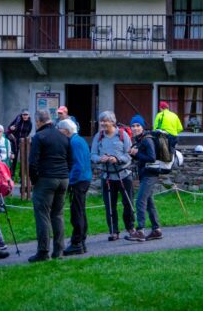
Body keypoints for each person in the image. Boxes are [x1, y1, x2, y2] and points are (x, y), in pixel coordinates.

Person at [28, 109, 71, 262]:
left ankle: (43, 251)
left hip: (46, 178)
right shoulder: (63, 136)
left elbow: (32, 163)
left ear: (38, 121)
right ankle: (59, 250)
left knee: (43, 215)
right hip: (63, 178)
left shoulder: (39, 137)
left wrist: (34, 181)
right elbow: (70, 159)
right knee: (58, 214)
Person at [90, 110, 134, 241]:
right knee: (109, 205)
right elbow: (92, 155)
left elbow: (129, 155)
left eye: (105, 121)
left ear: (112, 122)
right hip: (107, 176)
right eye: (101, 121)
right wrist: (99, 159)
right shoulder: (98, 136)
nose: (103, 124)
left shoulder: (122, 135)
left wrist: (117, 159)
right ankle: (113, 231)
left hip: (123, 175)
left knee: (128, 203)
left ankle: (130, 228)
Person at [125, 114, 163, 242]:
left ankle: (140, 231)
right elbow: (142, 157)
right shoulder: (140, 140)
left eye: (138, 125)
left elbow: (151, 158)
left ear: (142, 127)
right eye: (133, 126)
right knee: (149, 203)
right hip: (145, 174)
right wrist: (134, 154)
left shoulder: (147, 139)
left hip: (150, 175)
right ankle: (156, 230)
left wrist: (138, 153)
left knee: (140, 201)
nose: (135, 128)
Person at [58, 118, 91, 256]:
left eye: (60, 130)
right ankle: (81, 240)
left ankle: (77, 242)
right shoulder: (80, 140)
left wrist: (70, 181)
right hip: (84, 179)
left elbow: (78, 165)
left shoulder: (74, 142)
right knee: (80, 210)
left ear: (65, 131)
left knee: (76, 212)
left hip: (79, 180)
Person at [8, 109, 32, 175]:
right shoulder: (18, 120)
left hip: (23, 142)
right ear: (21, 115)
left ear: (29, 115)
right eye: (23, 115)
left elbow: (28, 132)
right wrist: (11, 128)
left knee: (23, 158)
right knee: (14, 157)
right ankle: (11, 174)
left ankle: (21, 175)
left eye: (26, 115)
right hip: (15, 141)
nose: (25, 116)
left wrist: (24, 138)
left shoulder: (30, 123)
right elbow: (9, 128)